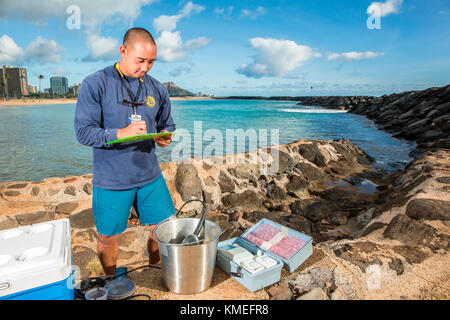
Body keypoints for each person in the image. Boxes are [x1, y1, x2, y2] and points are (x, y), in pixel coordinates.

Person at [74, 27, 176, 276]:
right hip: (111, 180)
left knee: (163, 229)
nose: (146, 67)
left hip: (150, 176)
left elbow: (167, 124)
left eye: (151, 62)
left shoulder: (158, 89)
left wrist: (165, 136)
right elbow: (83, 133)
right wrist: (121, 133)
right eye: (140, 60)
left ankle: (155, 269)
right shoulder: (95, 83)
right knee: (108, 237)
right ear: (123, 51)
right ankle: (110, 280)